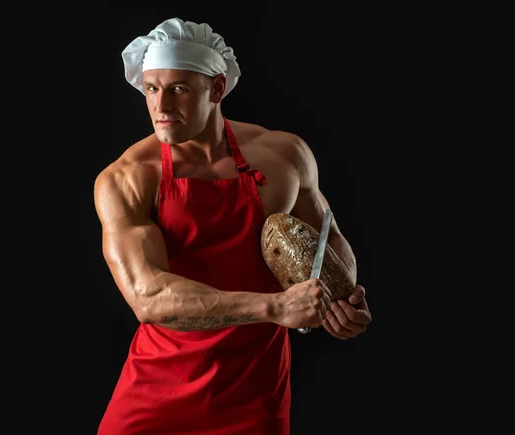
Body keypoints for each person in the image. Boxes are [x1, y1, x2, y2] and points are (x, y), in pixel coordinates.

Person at [94, 17, 372, 435]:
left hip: (254, 389)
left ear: (218, 88)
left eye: (179, 89)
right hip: (158, 388)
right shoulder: (128, 177)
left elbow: (328, 245)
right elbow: (148, 298)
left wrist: (343, 300)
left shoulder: (285, 156)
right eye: (151, 88)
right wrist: (275, 307)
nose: (161, 106)